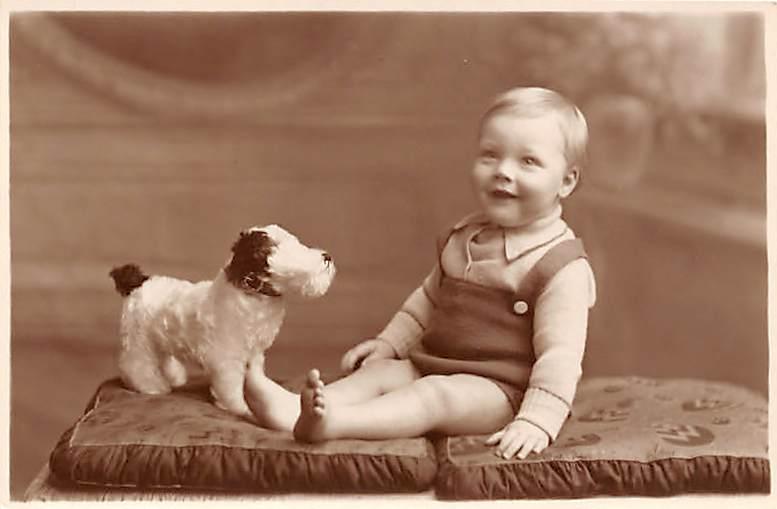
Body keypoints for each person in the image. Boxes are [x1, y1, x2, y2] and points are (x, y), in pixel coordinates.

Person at [245, 86, 596, 460]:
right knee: (380, 374)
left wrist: (537, 420)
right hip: (433, 363)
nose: (503, 172)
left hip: (501, 391)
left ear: (567, 181)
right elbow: (426, 302)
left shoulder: (561, 267)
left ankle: (337, 423)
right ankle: (291, 410)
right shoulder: (463, 237)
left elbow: (560, 356)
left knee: (432, 397)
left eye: (528, 162)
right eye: (490, 155)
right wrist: (390, 344)